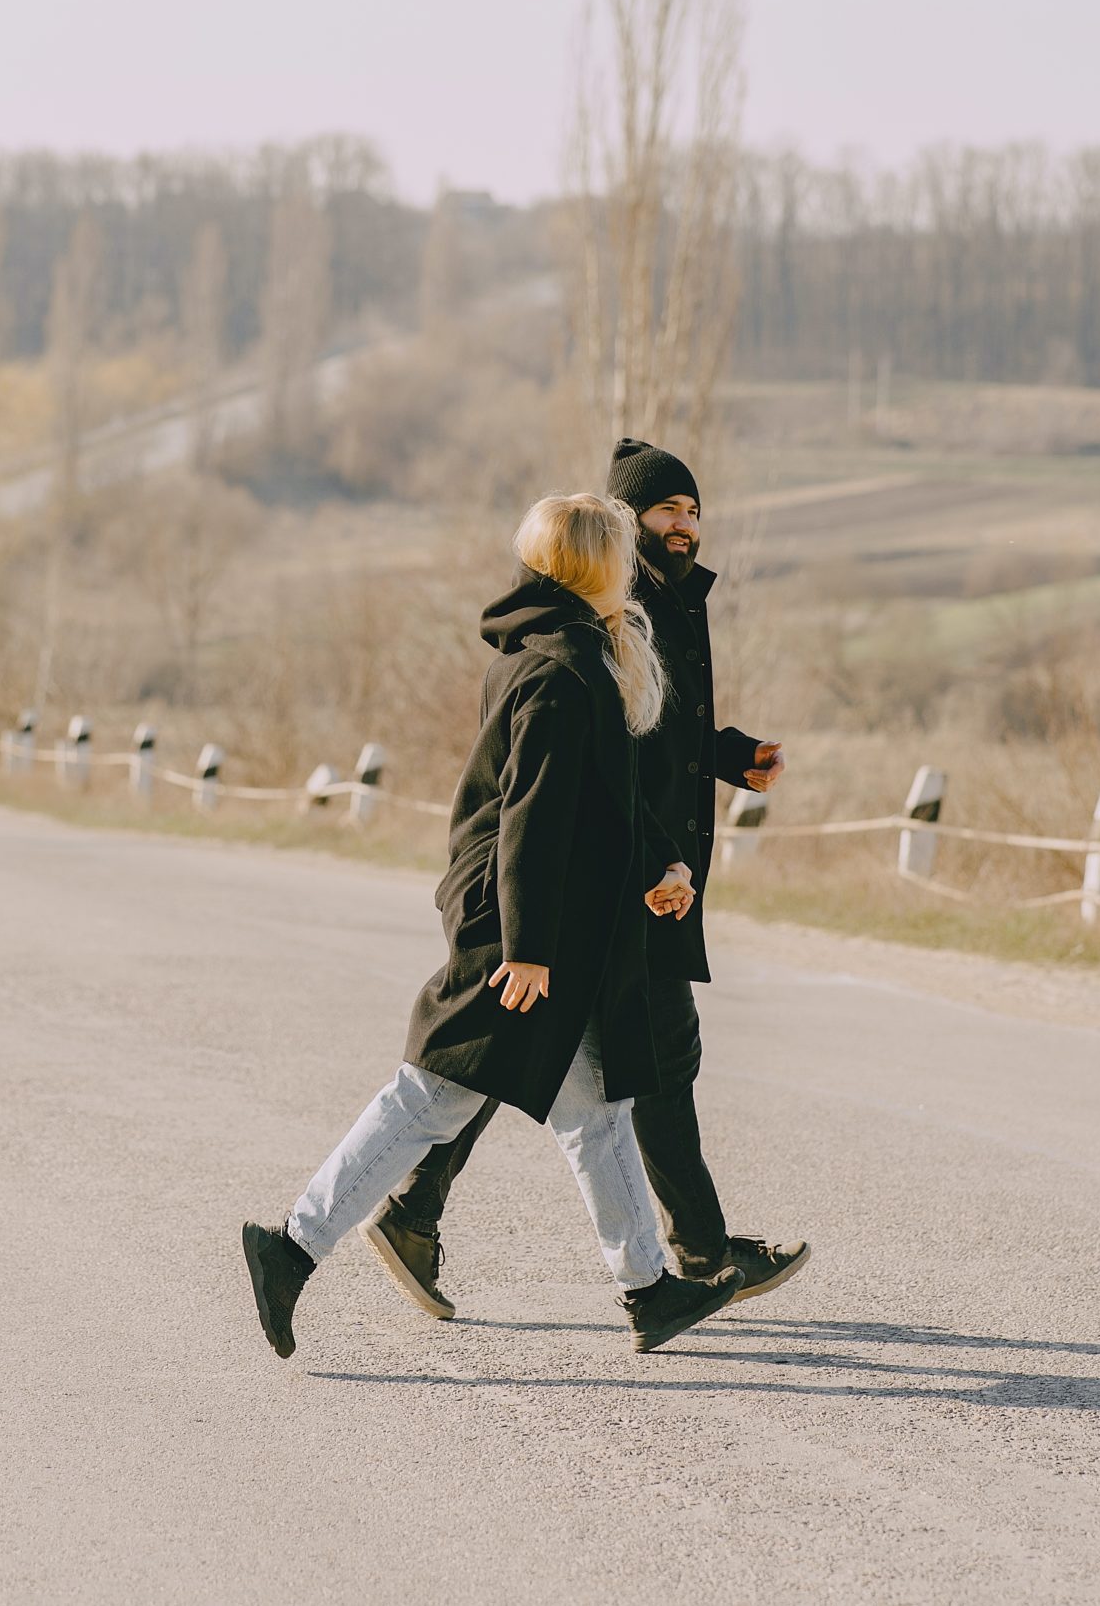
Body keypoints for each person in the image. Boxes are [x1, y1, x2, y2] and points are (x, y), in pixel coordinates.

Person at [240, 491, 746, 1358]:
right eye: (621, 553)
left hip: (553, 931)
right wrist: (527, 952)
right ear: (592, 564)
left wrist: (665, 866)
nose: (633, 567)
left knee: (594, 1108)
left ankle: (649, 1289)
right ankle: (290, 1248)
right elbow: (531, 821)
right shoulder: (556, 668)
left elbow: (613, 799)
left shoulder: (588, 652)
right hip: (515, 929)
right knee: (428, 1098)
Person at [363, 439, 807, 1323]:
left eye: (693, 510)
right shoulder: (616, 602)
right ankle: (700, 1256)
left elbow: (658, 727)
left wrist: (728, 755)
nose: (683, 525)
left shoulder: (672, 598)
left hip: (649, 864)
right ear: (624, 521)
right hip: (626, 872)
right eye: (666, 510)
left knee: (547, 1047)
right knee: (645, 1053)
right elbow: (600, 757)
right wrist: (653, 866)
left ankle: (417, 1209)